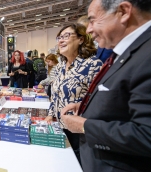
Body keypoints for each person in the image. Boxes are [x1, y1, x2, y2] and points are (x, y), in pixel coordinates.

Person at [61, 0, 151, 171]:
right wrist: (85, 106)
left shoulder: (146, 54)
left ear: (123, 12)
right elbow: (125, 101)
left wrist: (84, 125)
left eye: (93, 20)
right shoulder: (127, 53)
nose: (88, 29)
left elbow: (146, 134)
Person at [44, 23, 103, 162]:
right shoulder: (59, 67)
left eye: (66, 36)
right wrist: (50, 115)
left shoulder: (92, 65)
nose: (61, 40)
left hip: (79, 131)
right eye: (59, 37)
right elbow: (55, 95)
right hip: (58, 128)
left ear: (81, 39)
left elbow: (99, 102)